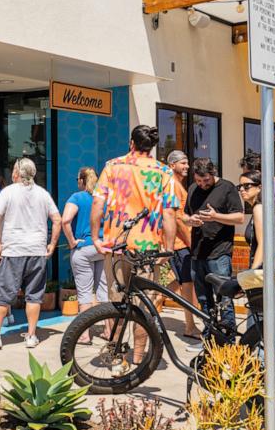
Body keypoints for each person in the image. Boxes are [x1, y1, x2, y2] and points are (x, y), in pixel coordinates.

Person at [91, 125, 178, 365]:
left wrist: (96, 238)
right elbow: (169, 213)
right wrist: (167, 249)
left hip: (118, 245)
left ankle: (115, 355)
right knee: (144, 307)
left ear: (131, 143)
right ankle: (138, 358)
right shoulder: (163, 172)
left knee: (116, 303)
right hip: (149, 249)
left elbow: (97, 204)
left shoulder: (112, 166)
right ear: (151, 147)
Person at [0, 158, 62, 350]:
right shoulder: (43, 194)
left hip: (13, 251)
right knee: (34, 296)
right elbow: (57, 219)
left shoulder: (8, 192)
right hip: (37, 251)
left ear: (17, 173)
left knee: (2, 296)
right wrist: (51, 244)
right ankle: (31, 336)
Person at [186, 157, 244, 337]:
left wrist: (216, 216)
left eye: (206, 180)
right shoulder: (193, 189)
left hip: (219, 253)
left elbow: (239, 217)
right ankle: (210, 336)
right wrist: (190, 220)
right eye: (199, 180)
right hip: (197, 252)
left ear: (214, 174)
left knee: (224, 298)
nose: (202, 184)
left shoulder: (227, 188)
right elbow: (185, 215)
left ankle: (228, 338)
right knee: (204, 299)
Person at [61, 167, 107, 344]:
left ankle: (85, 334)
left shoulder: (77, 197)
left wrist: (72, 241)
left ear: (81, 180)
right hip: (101, 247)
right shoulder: (102, 198)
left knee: (85, 294)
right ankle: (108, 331)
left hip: (83, 249)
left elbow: (65, 220)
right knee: (104, 293)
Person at [166, 150, 201, 339]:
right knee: (187, 285)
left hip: (181, 244)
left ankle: (152, 303)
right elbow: (177, 219)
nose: (187, 166)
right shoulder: (172, 185)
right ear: (172, 165)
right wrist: (190, 242)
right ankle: (190, 326)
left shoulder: (177, 185)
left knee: (182, 282)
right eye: (183, 163)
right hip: (180, 244)